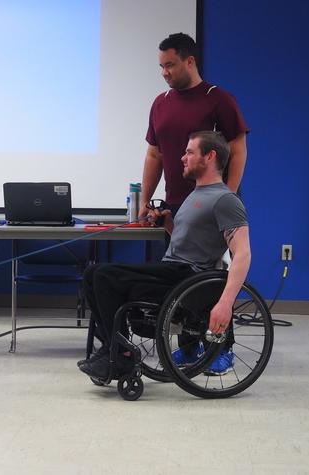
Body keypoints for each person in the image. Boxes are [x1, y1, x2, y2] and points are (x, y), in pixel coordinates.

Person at [78, 131, 250, 380]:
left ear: (210, 156)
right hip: (173, 269)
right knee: (92, 273)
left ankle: (120, 355)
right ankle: (113, 350)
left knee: (105, 275)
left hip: (188, 276)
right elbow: (191, 240)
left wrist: (225, 304)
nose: (182, 158)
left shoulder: (225, 200)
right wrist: (168, 224)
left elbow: (242, 253)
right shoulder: (196, 194)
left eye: (189, 152)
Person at [139, 33, 249, 234]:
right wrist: (144, 201)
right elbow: (154, 155)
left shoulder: (219, 99)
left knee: (215, 266)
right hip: (175, 207)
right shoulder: (160, 103)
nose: (164, 72)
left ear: (190, 61)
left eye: (170, 65)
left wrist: (228, 197)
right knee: (176, 265)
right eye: (161, 67)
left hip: (212, 204)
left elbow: (238, 151)